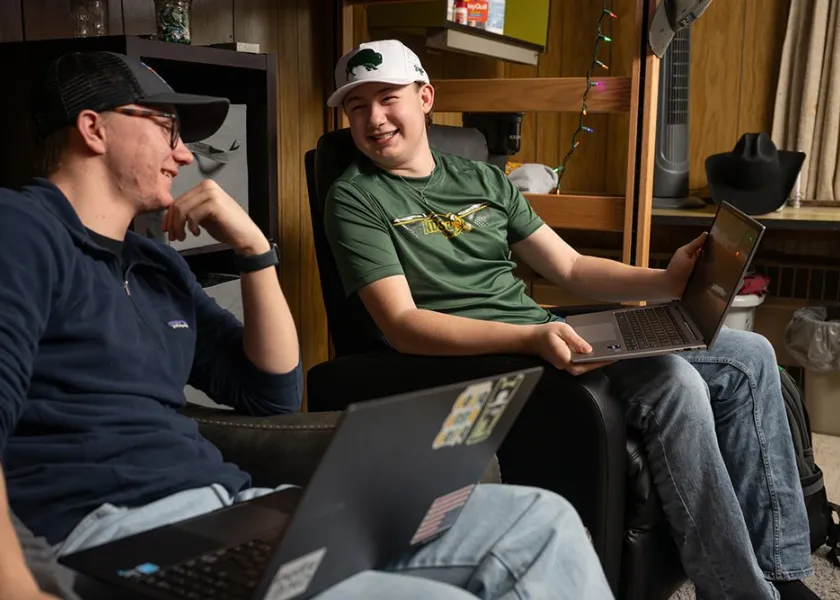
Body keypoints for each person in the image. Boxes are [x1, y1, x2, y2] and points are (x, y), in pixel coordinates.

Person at [0, 50, 614, 600]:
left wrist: (253, 250)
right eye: (167, 128)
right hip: (119, 534)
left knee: (538, 519)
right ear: (93, 128)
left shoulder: (155, 262)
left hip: (231, 510)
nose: (184, 154)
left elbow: (270, 394)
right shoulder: (21, 230)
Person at [323, 39, 820, 600]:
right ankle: (737, 592)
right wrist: (533, 337)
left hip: (548, 329)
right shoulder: (354, 199)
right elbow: (402, 324)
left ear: (425, 98)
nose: (373, 118)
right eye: (356, 107)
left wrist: (666, 282)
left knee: (750, 354)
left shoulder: (483, 180)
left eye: (387, 98)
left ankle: (782, 572)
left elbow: (571, 267)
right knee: (672, 381)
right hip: (495, 354)